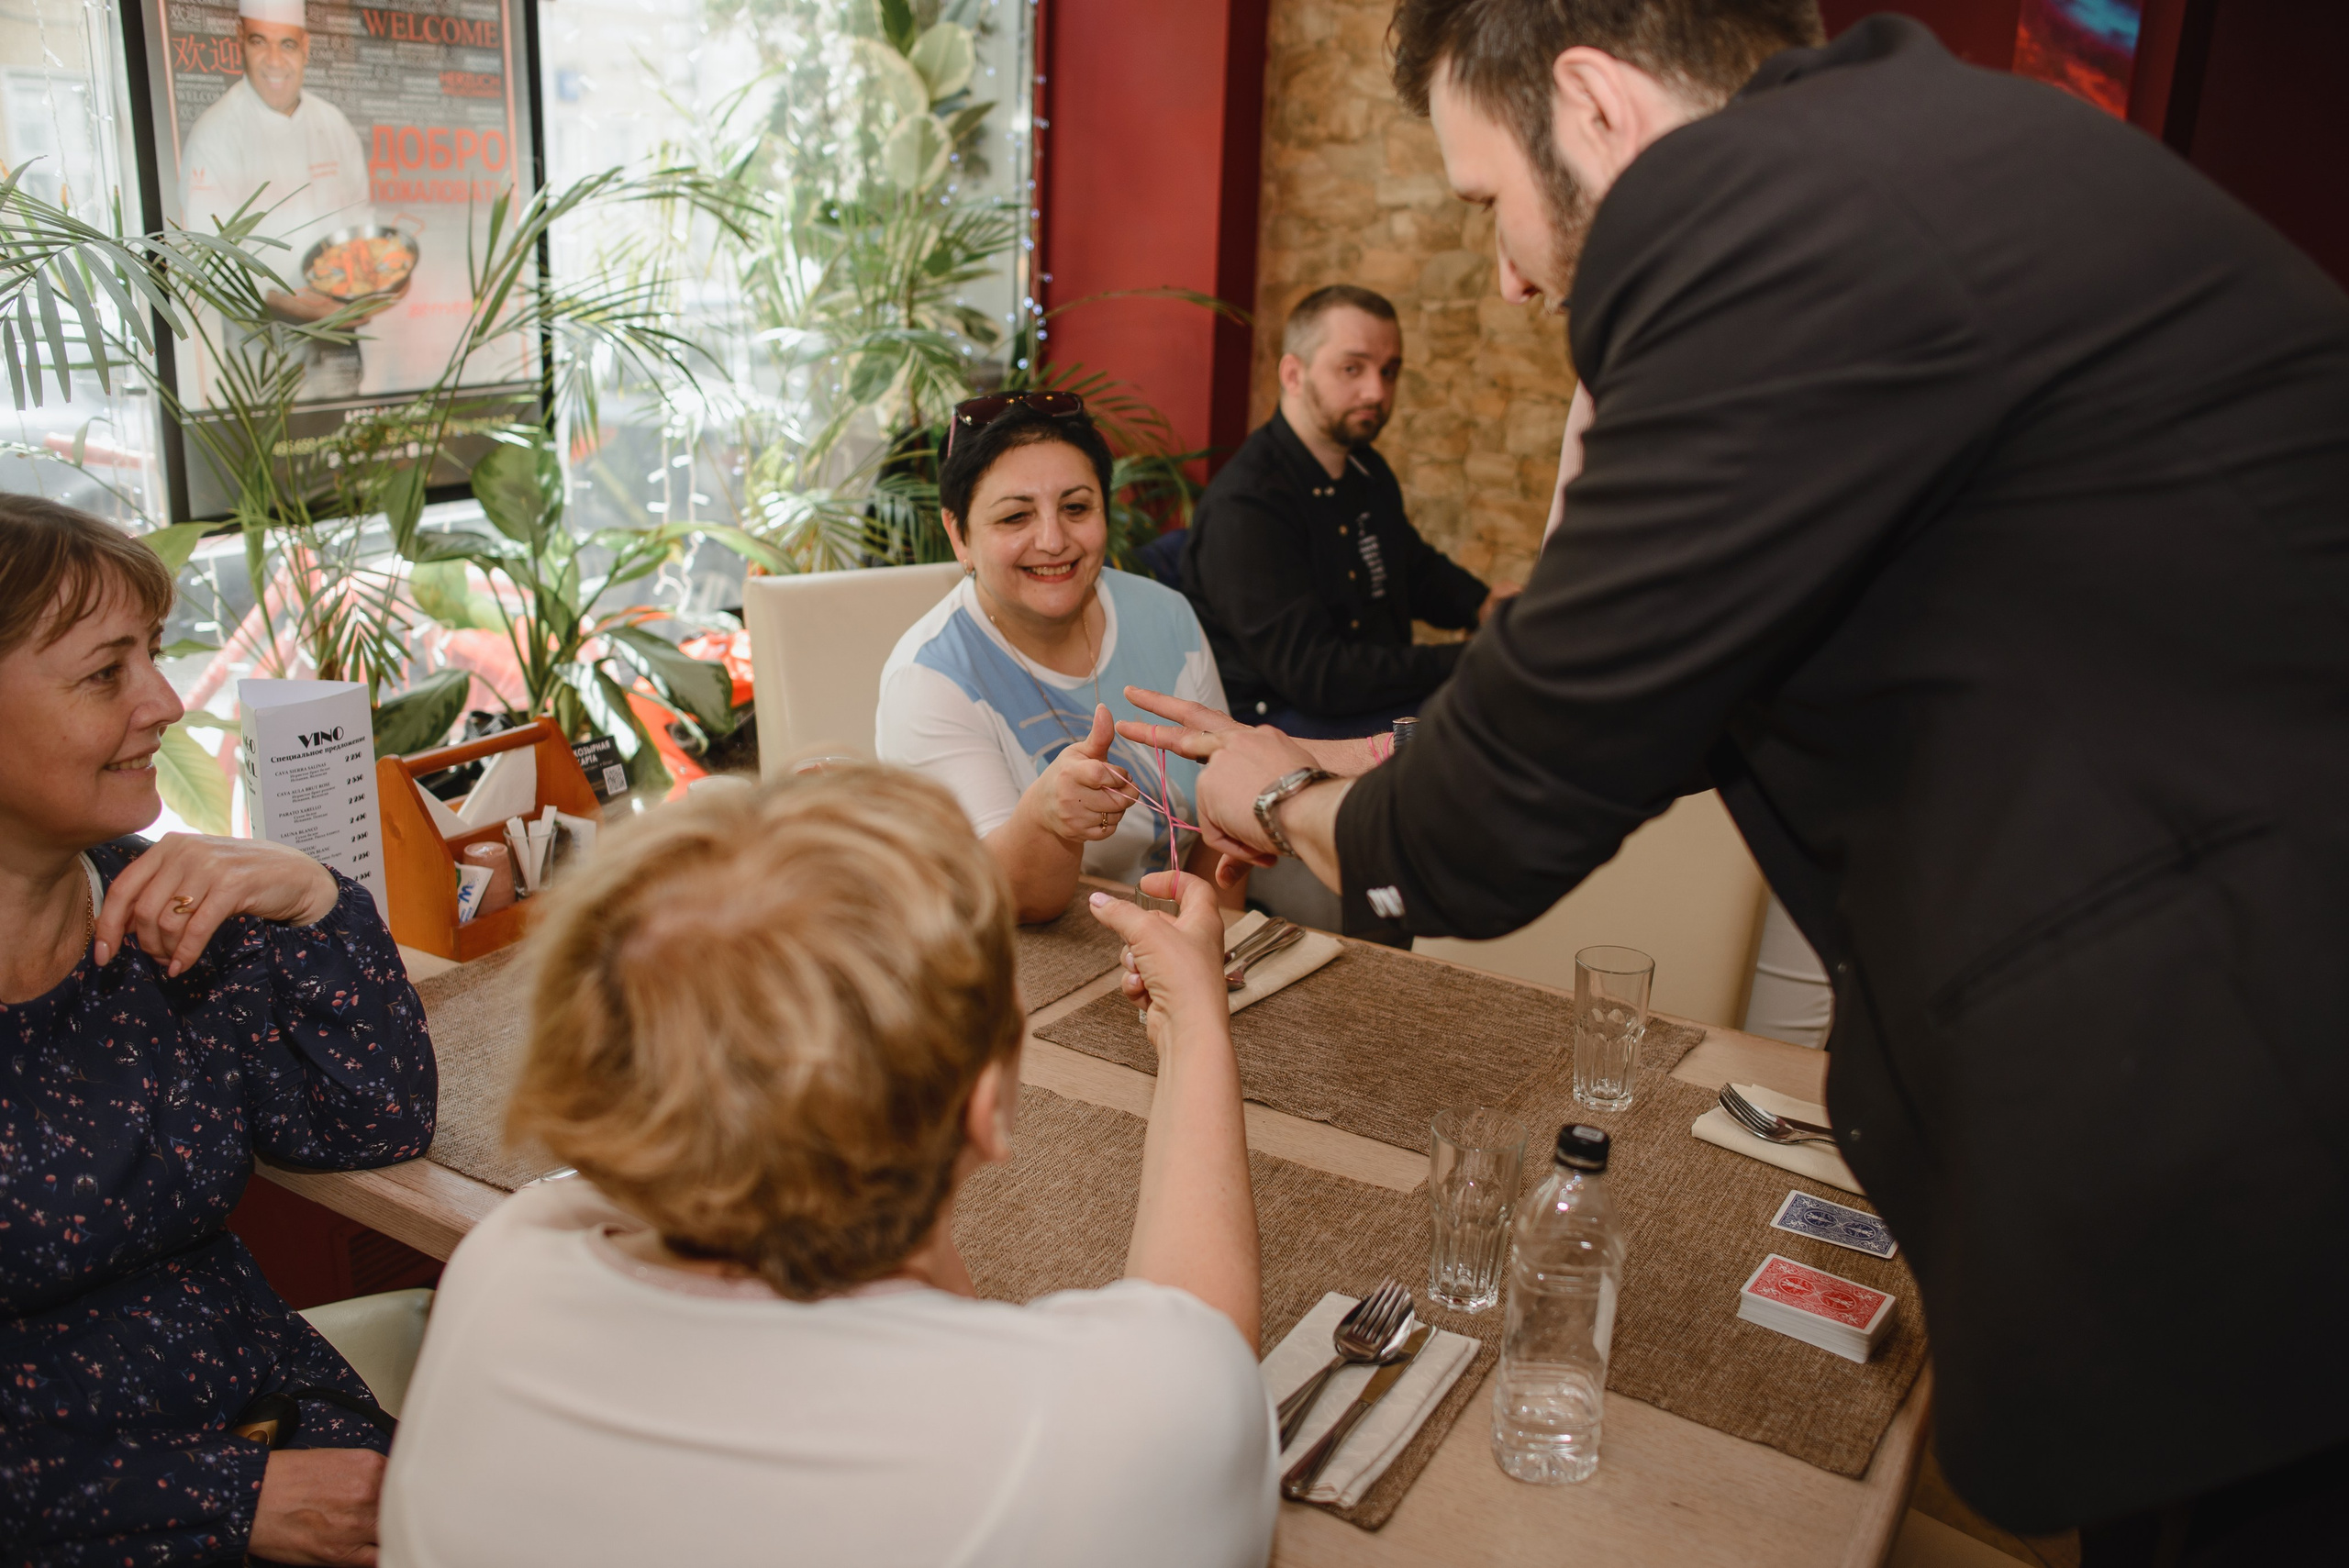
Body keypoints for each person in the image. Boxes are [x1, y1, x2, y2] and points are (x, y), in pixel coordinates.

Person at [1116, 1, 2349, 1558]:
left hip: (2259, 1129)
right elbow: (1675, 697)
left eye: (1493, 202)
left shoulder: (1762, 224)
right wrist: (1376, 751)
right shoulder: (1928, 161)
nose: (1509, 273)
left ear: (1598, 105)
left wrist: (1274, 800)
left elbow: (1501, 824)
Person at [377, 767, 1275, 1567]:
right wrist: (1196, 1023)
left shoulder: (504, 1268)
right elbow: (1198, 1341)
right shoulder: (1090, 1441)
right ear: (983, 1109)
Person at [0, 496, 438, 1564]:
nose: (164, 701)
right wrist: (225, 1495)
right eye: (107, 672)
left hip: (294, 1436)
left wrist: (313, 899)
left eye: (154, 654)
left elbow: (368, 1122)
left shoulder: (168, 923)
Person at [877, 393, 1239, 922]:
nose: (1053, 540)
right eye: (1015, 516)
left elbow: (1221, 822)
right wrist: (1046, 819)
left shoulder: (1167, 617)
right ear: (959, 535)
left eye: (1075, 508)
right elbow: (1002, 899)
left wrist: (1213, 942)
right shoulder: (929, 679)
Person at [1181, 284, 1519, 740]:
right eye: (1351, 368)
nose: (1376, 391)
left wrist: (1481, 605)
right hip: (1278, 728)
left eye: (1390, 371)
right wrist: (1475, 658)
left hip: (1364, 701)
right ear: (1293, 375)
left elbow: (1410, 567)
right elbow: (1318, 677)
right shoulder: (1247, 505)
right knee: (1498, 723)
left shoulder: (1364, 468)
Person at [178, 0, 375, 397]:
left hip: (339, 344)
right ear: (240, 42)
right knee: (276, 455)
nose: (273, 61)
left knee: (349, 449)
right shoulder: (214, 134)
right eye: (258, 42)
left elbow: (360, 223)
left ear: (305, 47)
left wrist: (372, 285)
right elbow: (207, 261)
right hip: (263, 360)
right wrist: (302, 306)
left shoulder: (332, 124)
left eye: (286, 44)